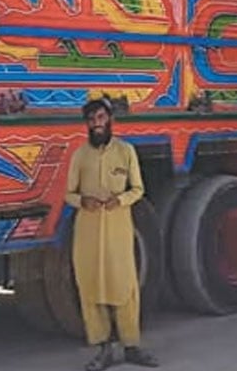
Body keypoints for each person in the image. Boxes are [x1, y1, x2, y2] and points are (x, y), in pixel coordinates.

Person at [64, 97, 159, 371]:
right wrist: (83, 202)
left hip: (118, 230)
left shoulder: (126, 152)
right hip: (88, 232)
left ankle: (131, 346)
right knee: (91, 288)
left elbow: (138, 189)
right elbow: (69, 193)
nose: (97, 124)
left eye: (101, 119)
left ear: (110, 121)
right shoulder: (80, 155)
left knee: (125, 287)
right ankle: (103, 348)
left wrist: (122, 200)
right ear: (87, 124)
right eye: (92, 120)